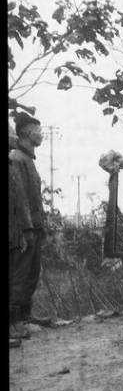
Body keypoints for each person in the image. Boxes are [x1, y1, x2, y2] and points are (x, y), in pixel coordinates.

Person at [9, 112, 46, 338]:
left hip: (34, 226)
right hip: (24, 229)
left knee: (32, 273)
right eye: (37, 131)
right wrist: (26, 229)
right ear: (26, 133)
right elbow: (20, 198)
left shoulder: (27, 159)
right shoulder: (17, 159)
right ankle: (14, 322)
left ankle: (25, 316)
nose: (41, 134)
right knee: (20, 275)